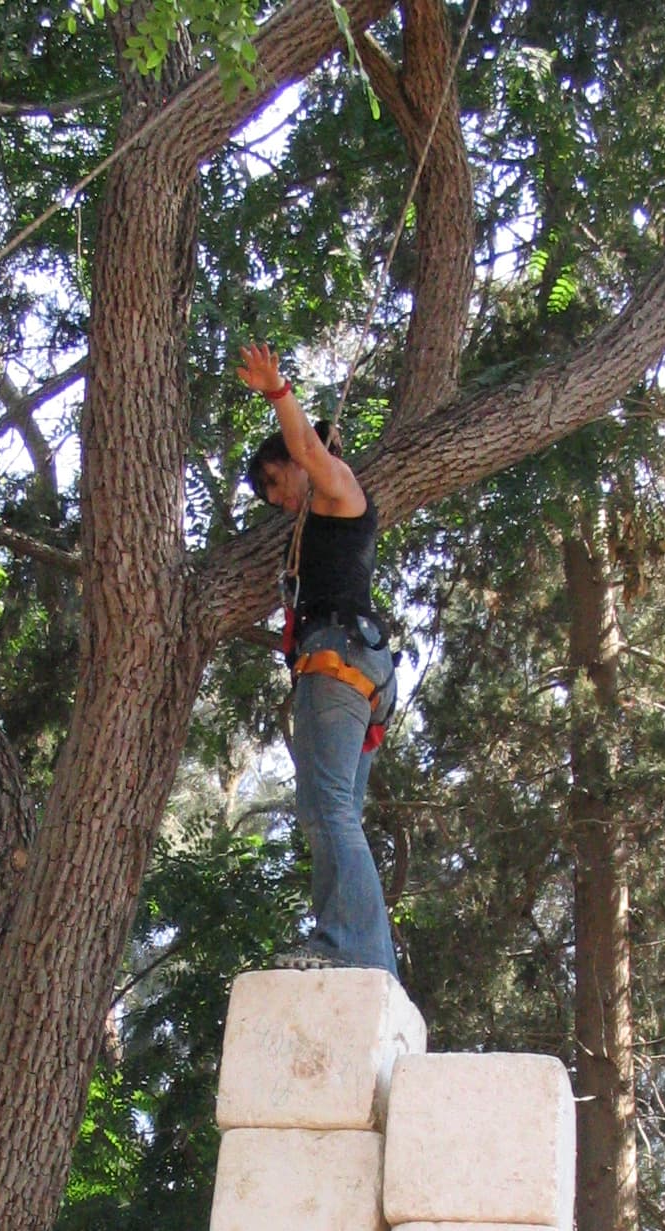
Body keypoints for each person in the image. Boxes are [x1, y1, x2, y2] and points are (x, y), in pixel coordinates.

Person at [238, 338, 398, 977]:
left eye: (275, 483)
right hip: (356, 663)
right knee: (337, 814)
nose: (277, 500)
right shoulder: (319, 519)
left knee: (325, 809)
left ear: (296, 461)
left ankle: (346, 946)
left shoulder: (337, 488)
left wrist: (277, 392)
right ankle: (372, 965)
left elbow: (306, 447)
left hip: (338, 658)